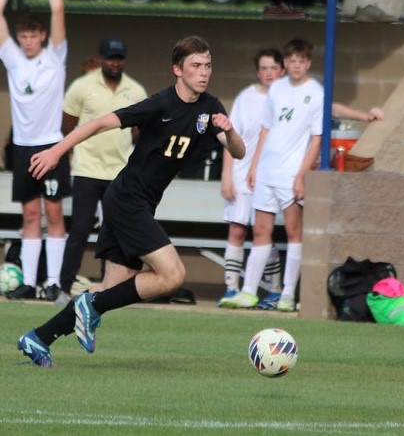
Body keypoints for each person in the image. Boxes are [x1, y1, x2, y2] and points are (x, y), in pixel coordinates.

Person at [16, 35, 246, 367]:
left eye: (208, 65)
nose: (204, 72)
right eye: (196, 65)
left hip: (139, 203)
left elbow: (238, 152)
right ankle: (87, 307)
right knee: (172, 276)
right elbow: (99, 123)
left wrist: (230, 130)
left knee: (110, 291)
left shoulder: (211, 108)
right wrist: (56, 150)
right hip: (127, 200)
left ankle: (38, 339)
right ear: (177, 70)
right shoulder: (160, 104)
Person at [220, 37, 323, 312]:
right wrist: (255, 166)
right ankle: (248, 291)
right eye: (291, 61)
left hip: (290, 174)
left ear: (308, 63)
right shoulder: (276, 89)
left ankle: (287, 294)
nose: (296, 65)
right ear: (285, 63)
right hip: (266, 171)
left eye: (301, 61)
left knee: (292, 231)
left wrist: (301, 175)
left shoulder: (316, 92)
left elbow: (316, 138)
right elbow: (266, 128)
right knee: (261, 231)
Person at [53, 38, 147, 303]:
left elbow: (140, 132)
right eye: (109, 58)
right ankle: (63, 287)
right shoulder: (82, 86)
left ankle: (108, 290)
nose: (114, 63)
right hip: (86, 169)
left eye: (118, 58)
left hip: (119, 172)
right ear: (102, 58)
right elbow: (67, 125)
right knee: (80, 229)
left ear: (124, 60)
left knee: (113, 232)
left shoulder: (135, 90)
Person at [0, 0, 70, 301]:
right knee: (29, 215)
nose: (28, 41)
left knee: (53, 214)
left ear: (43, 37)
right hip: (22, 148)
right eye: (23, 36)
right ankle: (28, 282)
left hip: (51, 145)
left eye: (33, 36)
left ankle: (53, 282)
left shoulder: (55, 56)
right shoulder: (13, 58)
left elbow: (58, 10)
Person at [218, 47, 285, 309]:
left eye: (273, 68)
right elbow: (229, 137)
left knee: (263, 231)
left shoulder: (286, 98)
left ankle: (274, 290)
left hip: (270, 177)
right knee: (236, 229)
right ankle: (232, 289)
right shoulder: (245, 97)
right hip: (240, 173)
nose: (269, 73)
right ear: (258, 71)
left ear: (282, 70)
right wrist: (227, 176)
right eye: (264, 68)